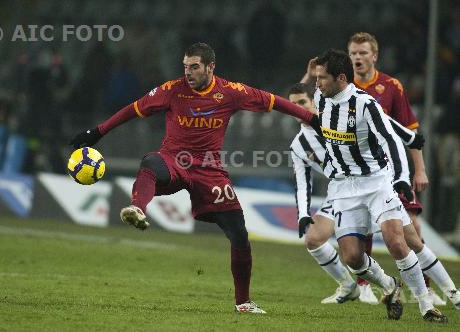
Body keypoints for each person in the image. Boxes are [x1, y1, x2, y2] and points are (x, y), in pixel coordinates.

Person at [70, 42, 320, 314]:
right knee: (151, 163)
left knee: (239, 235)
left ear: (211, 67)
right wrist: (97, 132)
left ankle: (243, 302)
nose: (188, 73)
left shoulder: (230, 92)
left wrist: (311, 118)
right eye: (185, 67)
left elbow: (274, 101)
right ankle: (137, 209)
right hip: (174, 161)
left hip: (210, 171)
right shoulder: (172, 90)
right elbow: (133, 109)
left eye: (194, 67)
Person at [300, 49, 447, 323]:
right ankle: (390, 285)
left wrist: (402, 177)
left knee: (396, 242)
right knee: (353, 258)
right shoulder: (322, 97)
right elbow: (298, 103)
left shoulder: (366, 104)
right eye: (316, 78)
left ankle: (426, 305)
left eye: (322, 78)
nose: (317, 84)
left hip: (376, 182)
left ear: (341, 78)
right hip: (344, 189)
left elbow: (391, 141)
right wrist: (309, 75)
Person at [346, 32, 443, 304]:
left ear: (374, 55)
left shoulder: (391, 86)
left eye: (363, 53)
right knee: (362, 228)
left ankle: (426, 288)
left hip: (393, 170)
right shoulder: (345, 87)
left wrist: (419, 170)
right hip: (362, 172)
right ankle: (364, 285)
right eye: (353, 53)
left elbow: (410, 130)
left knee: (412, 227)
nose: (357, 58)